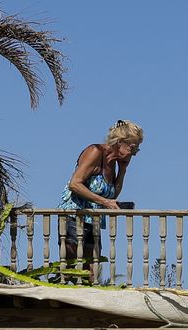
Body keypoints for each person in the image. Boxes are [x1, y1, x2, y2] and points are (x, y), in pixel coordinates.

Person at [61, 119, 143, 281]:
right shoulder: (95, 152)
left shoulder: (113, 164)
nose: (133, 154)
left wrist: (123, 170)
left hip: (94, 221)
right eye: (132, 148)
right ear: (120, 142)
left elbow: (112, 196)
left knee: (92, 272)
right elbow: (75, 184)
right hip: (74, 217)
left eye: (136, 150)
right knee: (73, 271)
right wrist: (104, 202)